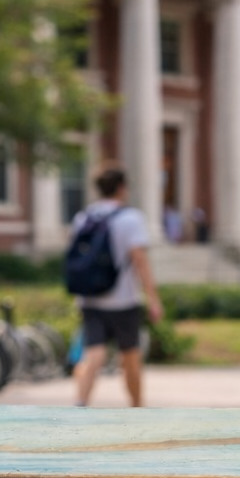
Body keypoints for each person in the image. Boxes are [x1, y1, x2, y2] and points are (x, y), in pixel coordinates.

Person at [70, 163, 165, 408]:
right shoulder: (131, 218)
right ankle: (136, 407)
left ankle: (81, 402)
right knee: (130, 356)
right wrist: (153, 298)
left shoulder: (84, 217)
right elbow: (140, 262)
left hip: (89, 298)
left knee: (94, 353)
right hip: (123, 300)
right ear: (122, 188)